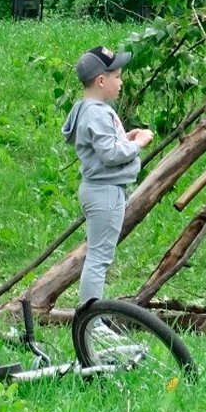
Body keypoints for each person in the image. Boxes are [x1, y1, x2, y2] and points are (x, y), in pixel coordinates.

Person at [62, 46, 153, 306]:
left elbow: (102, 146)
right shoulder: (97, 112)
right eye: (118, 76)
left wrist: (123, 138)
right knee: (99, 258)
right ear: (102, 80)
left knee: (98, 255)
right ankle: (92, 320)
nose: (121, 82)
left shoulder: (85, 109)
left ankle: (91, 317)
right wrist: (139, 143)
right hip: (105, 192)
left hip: (99, 189)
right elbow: (111, 155)